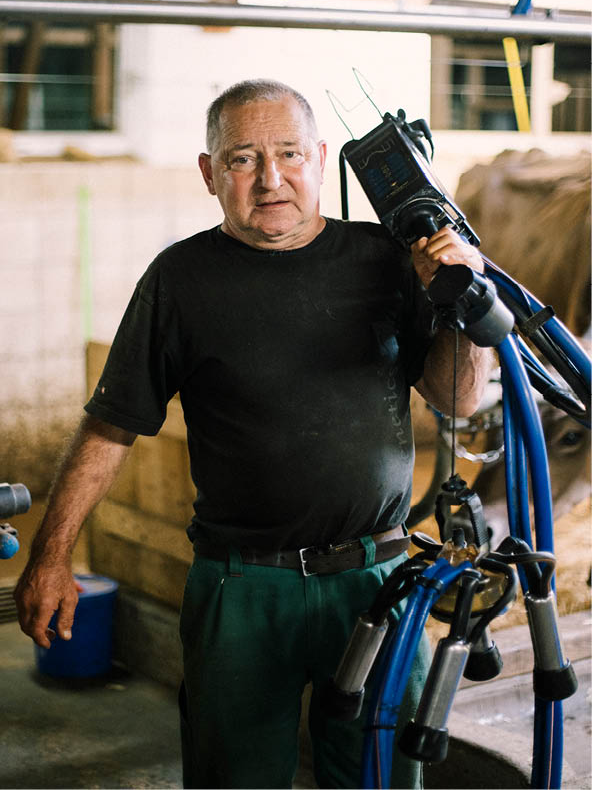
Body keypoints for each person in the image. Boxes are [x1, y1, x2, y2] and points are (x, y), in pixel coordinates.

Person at [15, 79, 491, 789]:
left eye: (289, 153)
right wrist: (50, 555)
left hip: (375, 579)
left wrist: (464, 299)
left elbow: (458, 398)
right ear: (210, 173)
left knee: (380, 774)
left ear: (320, 159)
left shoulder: (388, 261)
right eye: (242, 158)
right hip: (240, 585)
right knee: (234, 777)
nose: (271, 178)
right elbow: (110, 426)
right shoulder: (179, 280)